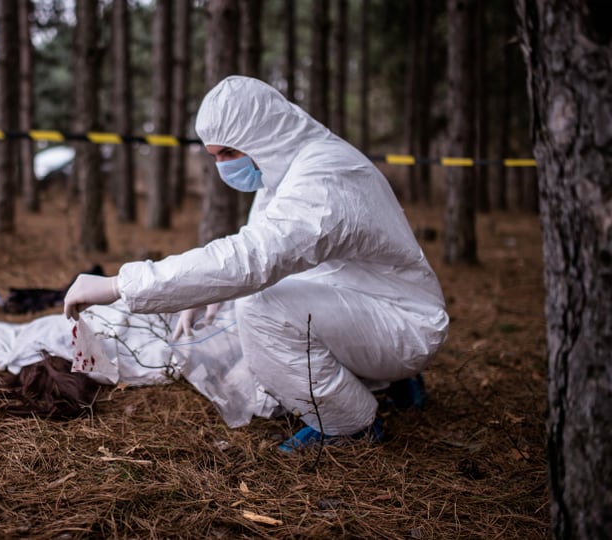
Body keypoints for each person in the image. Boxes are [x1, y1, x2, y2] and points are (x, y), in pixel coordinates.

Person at [62, 75, 448, 451]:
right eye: (215, 157)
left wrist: (119, 285)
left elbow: (253, 259)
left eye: (229, 153)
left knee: (261, 308)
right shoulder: (286, 170)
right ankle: (393, 384)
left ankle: (349, 427)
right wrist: (206, 291)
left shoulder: (324, 177)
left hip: (401, 324)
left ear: (263, 135)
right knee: (249, 304)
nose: (223, 167)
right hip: (370, 306)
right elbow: (257, 250)